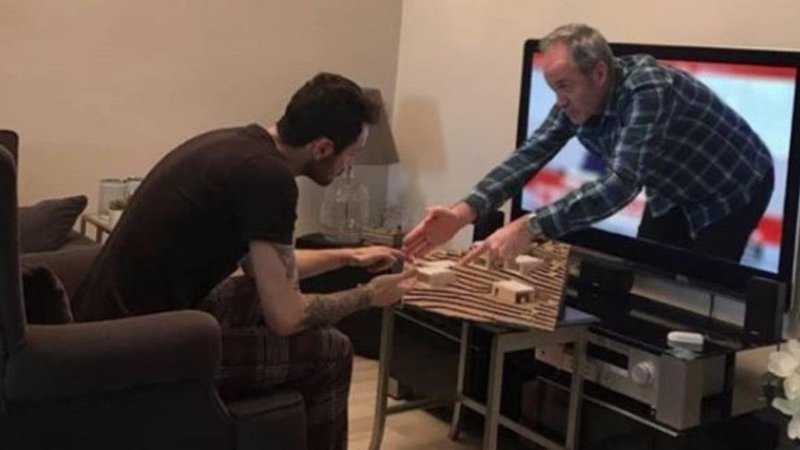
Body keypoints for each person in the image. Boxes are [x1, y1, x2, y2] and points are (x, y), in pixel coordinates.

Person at [72, 73, 416, 450]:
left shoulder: (235, 146)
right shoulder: (270, 180)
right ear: (322, 148)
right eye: (352, 153)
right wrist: (369, 295)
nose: (349, 165)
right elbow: (288, 317)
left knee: (252, 294)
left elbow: (263, 269)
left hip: (103, 326)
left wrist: (349, 256)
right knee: (332, 352)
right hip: (135, 353)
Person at [403, 23, 774, 265]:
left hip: (734, 183)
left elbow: (621, 184)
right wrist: (461, 213)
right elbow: (529, 156)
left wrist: (529, 227)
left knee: (703, 288)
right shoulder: (576, 99)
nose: (560, 101)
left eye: (564, 86)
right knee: (644, 269)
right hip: (672, 185)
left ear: (599, 72)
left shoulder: (649, 89)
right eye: (554, 89)